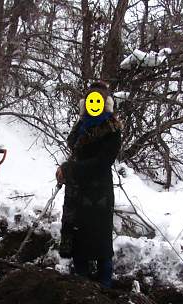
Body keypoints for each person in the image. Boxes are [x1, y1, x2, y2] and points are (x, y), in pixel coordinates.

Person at [56, 81, 123, 288]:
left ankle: (105, 289)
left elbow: (102, 163)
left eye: (99, 101)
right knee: (78, 242)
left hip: (98, 194)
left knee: (101, 243)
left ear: (105, 104)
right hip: (77, 192)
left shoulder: (112, 130)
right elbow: (77, 154)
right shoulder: (82, 124)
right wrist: (67, 170)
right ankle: (82, 287)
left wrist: (71, 169)